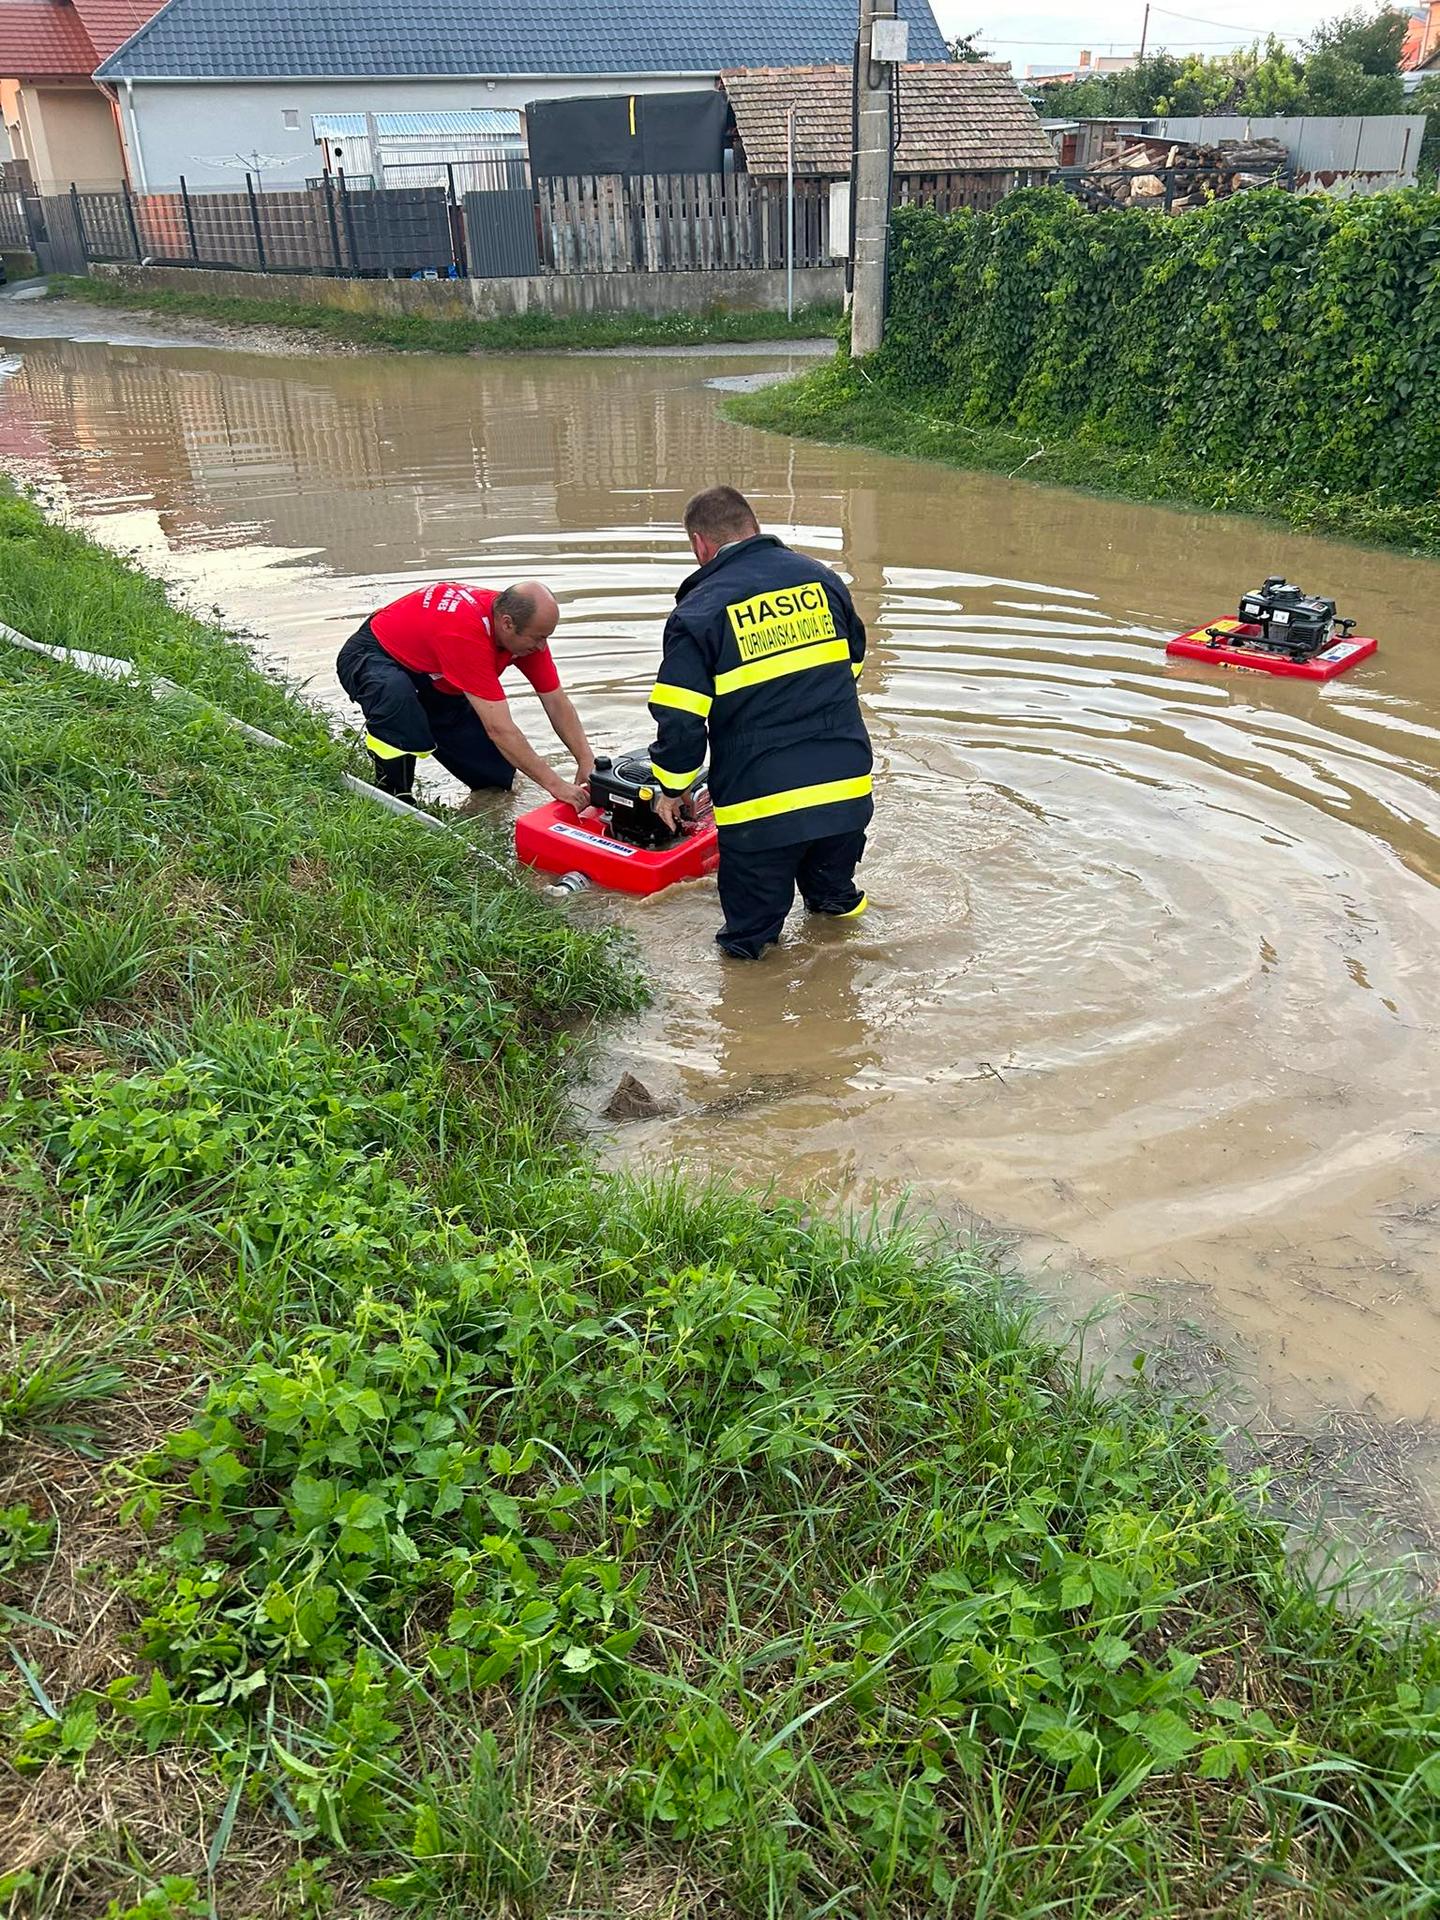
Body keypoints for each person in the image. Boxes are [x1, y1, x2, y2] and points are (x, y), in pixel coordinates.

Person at [647, 486, 873, 959]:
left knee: (749, 943)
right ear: (753, 526)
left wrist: (673, 787)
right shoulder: (822, 580)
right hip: (845, 793)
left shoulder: (699, 610)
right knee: (836, 906)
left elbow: (681, 718)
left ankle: (751, 1004)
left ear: (700, 544)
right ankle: (853, 984)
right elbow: (850, 667)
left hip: (761, 810)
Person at [337, 580, 593, 808]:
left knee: (497, 781)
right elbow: (499, 729)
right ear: (507, 623)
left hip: (434, 676)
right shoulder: (465, 633)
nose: (542, 647)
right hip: (373, 656)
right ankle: (394, 796)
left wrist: (586, 760)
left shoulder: (525, 633)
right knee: (398, 701)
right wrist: (556, 786)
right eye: (538, 638)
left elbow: (556, 702)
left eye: (546, 638)